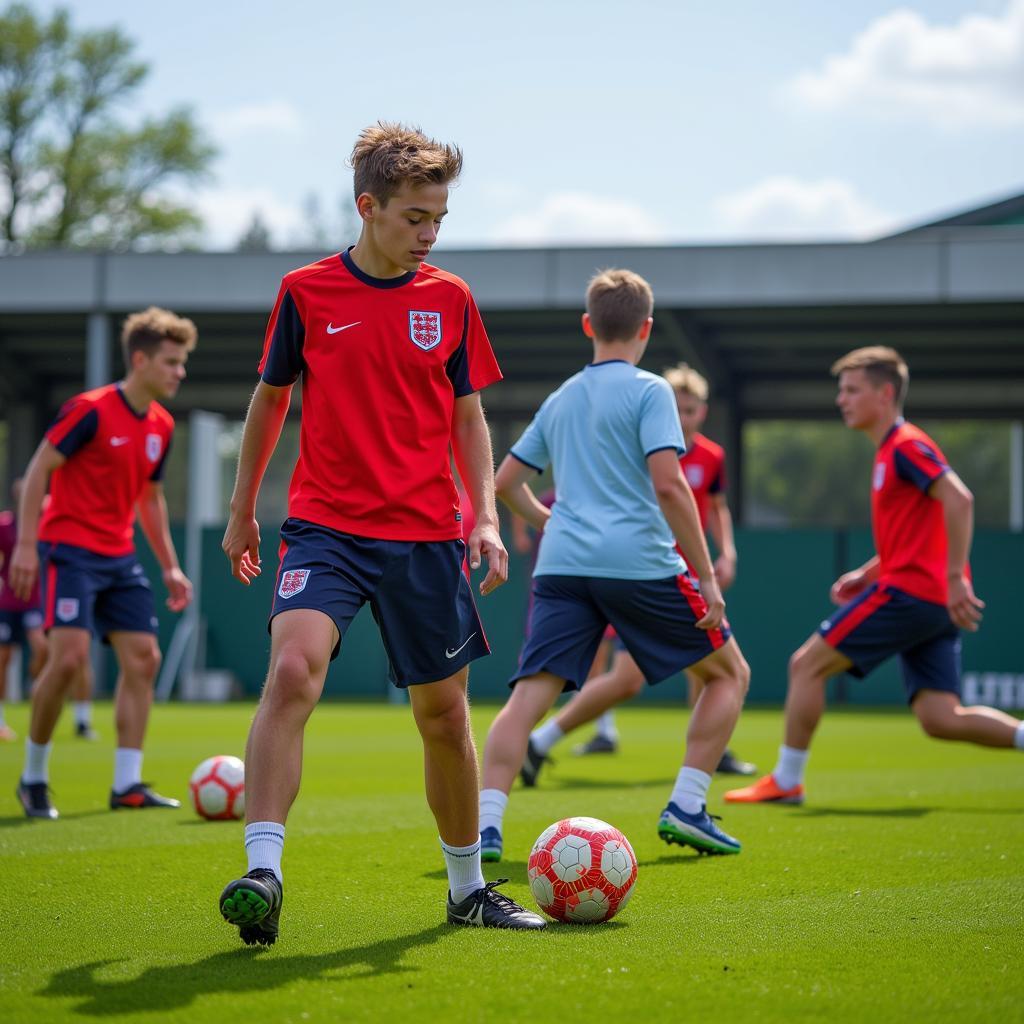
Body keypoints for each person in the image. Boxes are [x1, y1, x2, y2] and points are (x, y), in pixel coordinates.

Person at [217, 122, 544, 946]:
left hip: (428, 536)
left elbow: (470, 417)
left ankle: (469, 888)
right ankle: (264, 871)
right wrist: (240, 507)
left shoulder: (452, 299)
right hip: (324, 528)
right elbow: (271, 401)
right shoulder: (304, 292)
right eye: (415, 217)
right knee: (293, 671)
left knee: (443, 717)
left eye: (439, 218)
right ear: (368, 208)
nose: (429, 234)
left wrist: (485, 516)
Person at [479, 268, 750, 864]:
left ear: (587, 326)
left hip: (563, 567)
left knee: (528, 695)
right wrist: (706, 575)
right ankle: (686, 806)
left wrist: (553, 523)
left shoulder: (562, 396)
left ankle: (487, 826)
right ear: (646, 330)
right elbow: (671, 487)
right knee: (729, 675)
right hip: (640, 564)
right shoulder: (651, 391)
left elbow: (505, 484)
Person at [725, 346, 1024, 806]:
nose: (841, 399)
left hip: (912, 594)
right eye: (840, 390)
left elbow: (959, 500)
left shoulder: (905, 445)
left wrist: (954, 578)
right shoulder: (891, 450)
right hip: (928, 601)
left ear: (885, 394)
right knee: (940, 717)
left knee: (806, 665)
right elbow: (916, 534)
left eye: (851, 390)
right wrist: (867, 573)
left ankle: (787, 780)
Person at [11, 308, 196, 819]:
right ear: (139, 359)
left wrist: (169, 566)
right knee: (68, 660)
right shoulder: (88, 409)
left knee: (145, 659)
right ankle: (33, 777)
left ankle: (127, 784)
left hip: (119, 556)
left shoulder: (161, 424)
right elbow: (38, 469)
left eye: (182, 363)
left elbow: (150, 500)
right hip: (68, 550)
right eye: (171, 362)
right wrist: (27, 545)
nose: (180, 372)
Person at [530, 364, 756, 775]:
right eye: (678, 408)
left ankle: (711, 756)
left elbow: (718, 508)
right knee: (630, 679)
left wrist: (727, 553)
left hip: (692, 572)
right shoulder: (640, 450)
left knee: (713, 670)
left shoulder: (712, 456)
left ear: (703, 411)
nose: (684, 416)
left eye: (692, 409)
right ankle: (540, 740)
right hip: (647, 574)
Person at [0, 482, 99, 743]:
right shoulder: (5, 526)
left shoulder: (52, 522)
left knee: (51, 651)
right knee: (3, 657)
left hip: (42, 600)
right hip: (8, 601)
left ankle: (53, 698)